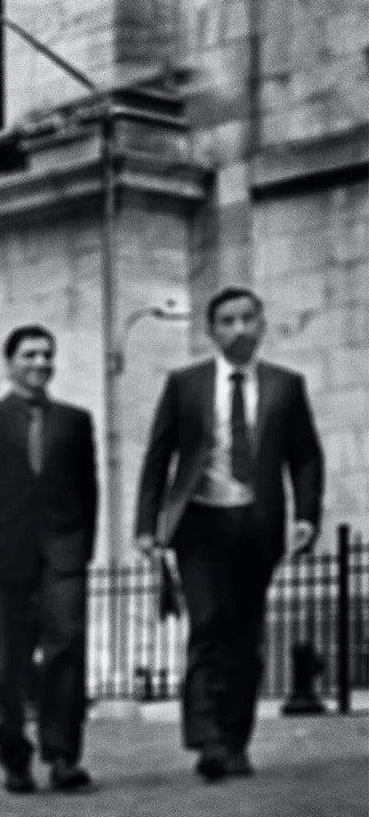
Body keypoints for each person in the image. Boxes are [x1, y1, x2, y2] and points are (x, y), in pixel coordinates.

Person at [134, 286, 324, 781]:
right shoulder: (184, 384)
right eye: (227, 321)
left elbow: (305, 456)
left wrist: (306, 515)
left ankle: (236, 739)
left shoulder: (287, 385)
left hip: (256, 526)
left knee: (245, 635)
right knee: (208, 624)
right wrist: (146, 526)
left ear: (261, 324)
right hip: (198, 524)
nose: (238, 329)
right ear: (211, 331)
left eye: (247, 319)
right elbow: (158, 457)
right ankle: (207, 739)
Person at [0, 325, 99, 794]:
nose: (40, 362)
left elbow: (89, 492)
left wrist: (81, 550)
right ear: (10, 364)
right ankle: (15, 758)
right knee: (7, 663)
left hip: (62, 557)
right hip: (2, 559)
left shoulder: (76, 421)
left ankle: (64, 755)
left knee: (67, 648)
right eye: (30, 354)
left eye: (48, 354)